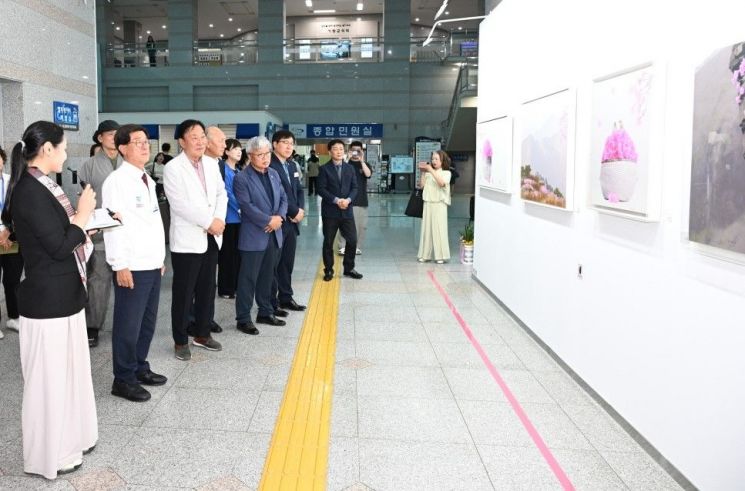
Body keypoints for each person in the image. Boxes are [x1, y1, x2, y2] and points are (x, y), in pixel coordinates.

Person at [2, 121, 98, 478]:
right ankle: (51, 455)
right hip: (47, 302)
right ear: (46, 151)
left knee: (71, 375)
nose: (66, 153)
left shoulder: (44, 185)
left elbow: (59, 235)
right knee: (50, 383)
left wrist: (90, 222)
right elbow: (59, 247)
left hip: (65, 296)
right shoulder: (29, 191)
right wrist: (85, 214)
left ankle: (73, 439)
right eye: (63, 147)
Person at [102, 124, 167, 402]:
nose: (144, 146)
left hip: (151, 263)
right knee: (128, 324)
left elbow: (151, 223)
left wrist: (160, 259)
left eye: (146, 141)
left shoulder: (146, 179)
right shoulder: (117, 181)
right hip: (132, 265)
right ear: (122, 148)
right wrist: (120, 264)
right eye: (137, 141)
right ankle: (123, 378)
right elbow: (113, 225)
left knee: (147, 323)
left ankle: (140, 366)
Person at [163, 119, 227, 361]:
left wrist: (218, 219)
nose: (200, 141)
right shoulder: (173, 168)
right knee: (184, 292)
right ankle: (180, 340)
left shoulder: (211, 165)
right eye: (194, 137)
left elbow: (222, 194)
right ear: (182, 141)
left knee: (207, 289)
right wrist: (209, 222)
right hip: (188, 240)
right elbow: (179, 204)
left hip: (212, 237)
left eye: (203, 136)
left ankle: (202, 333)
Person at [233, 136, 287, 334]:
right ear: (250, 156)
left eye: (267, 154)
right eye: (260, 155)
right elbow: (246, 206)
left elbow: (283, 197)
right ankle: (243, 318)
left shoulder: (273, 173)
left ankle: (265, 311)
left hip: (274, 233)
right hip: (254, 235)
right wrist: (268, 220)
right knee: (248, 278)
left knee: (267, 275)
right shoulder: (242, 178)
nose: (265, 158)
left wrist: (279, 217)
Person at [78, 119, 122, 347]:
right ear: (100, 138)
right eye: (110, 134)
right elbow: (84, 198)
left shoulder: (129, 162)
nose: (114, 138)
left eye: (117, 133)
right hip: (101, 232)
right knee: (99, 280)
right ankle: (92, 326)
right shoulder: (90, 165)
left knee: (127, 280)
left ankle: (124, 324)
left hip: (126, 232)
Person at [269, 130, 306, 313]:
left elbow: (299, 190)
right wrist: (292, 211)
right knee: (273, 264)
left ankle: (286, 297)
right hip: (278, 221)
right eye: (285, 142)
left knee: (287, 263)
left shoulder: (291, 165)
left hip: (292, 223)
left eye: (291, 143)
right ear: (275, 144)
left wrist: (301, 210)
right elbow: (277, 194)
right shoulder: (270, 165)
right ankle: (271, 302)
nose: (289, 146)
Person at [317, 139, 362, 281]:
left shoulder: (350, 168)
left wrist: (348, 200)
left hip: (347, 210)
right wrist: (337, 200)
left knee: (353, 240)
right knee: (328, 242)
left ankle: (349, 268)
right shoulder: (324, 169)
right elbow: (321, 189)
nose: (339, 151)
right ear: (330, 152)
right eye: (336, 149)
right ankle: (329, 270)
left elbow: (355, 188)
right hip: (330, 211)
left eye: (341, 149)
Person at [0, 146, 23, 339]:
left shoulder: (12, 182)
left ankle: (14, 317)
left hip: (11, 238)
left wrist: (7, 231)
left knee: (13, 279)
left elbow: (18, 209)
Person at [217, 138, 243, 299]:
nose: (239, 151)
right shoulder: (223, 170)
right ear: (226, 152)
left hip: (240, 219)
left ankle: (236, 285)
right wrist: (242, 208)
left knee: (237, 255)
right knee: (227, 255)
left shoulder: (238, 171)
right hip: (229, 218)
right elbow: (228, 194)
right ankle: (226, 288)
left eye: (240, 149)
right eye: (235, 149)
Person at [417, 150, 452, 264]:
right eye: (433, 159)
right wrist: (422, 172)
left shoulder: (446, 173)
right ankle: (425, 255)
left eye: (436, 159)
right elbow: (421, 186)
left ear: (442, 161)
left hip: (439, 203)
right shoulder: (428, 173)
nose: (434, 161)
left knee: (439, 229)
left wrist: (431, 170)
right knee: (426, 229)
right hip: (428, 203)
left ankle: (440, 256)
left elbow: (441, 183)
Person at [338, 141, 371, 256]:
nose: (356, 152)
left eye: (358, 150)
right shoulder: (345, 164)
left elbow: (368, 174)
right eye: (353, 150)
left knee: (361, 225)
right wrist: (347, 158)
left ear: (362, 151)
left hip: (361, 199)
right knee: (345, 224)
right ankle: (343, 246)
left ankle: (357, 247)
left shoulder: (365, 164)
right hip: (346, 199)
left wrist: (362, 160)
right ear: (349, 151)